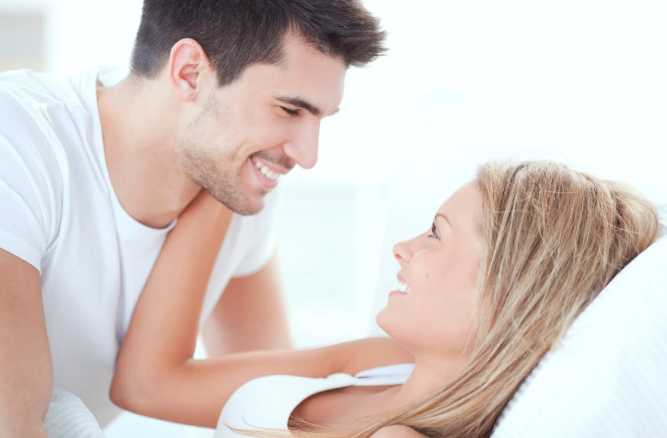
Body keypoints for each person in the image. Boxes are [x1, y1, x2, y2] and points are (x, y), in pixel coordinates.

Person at [0, 0, 385, 435]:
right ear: (189, 73)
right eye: (289, 110)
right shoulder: (17, 141)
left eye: (321, 118)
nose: (308, 156)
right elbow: (14, 425)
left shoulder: (233, 182)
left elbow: (267, 407)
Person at [110, 160, 661, 437]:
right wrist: (227, 168)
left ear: (508, 289)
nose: (403, 248)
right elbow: (146, 386)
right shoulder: (383, 363)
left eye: (436, 234)